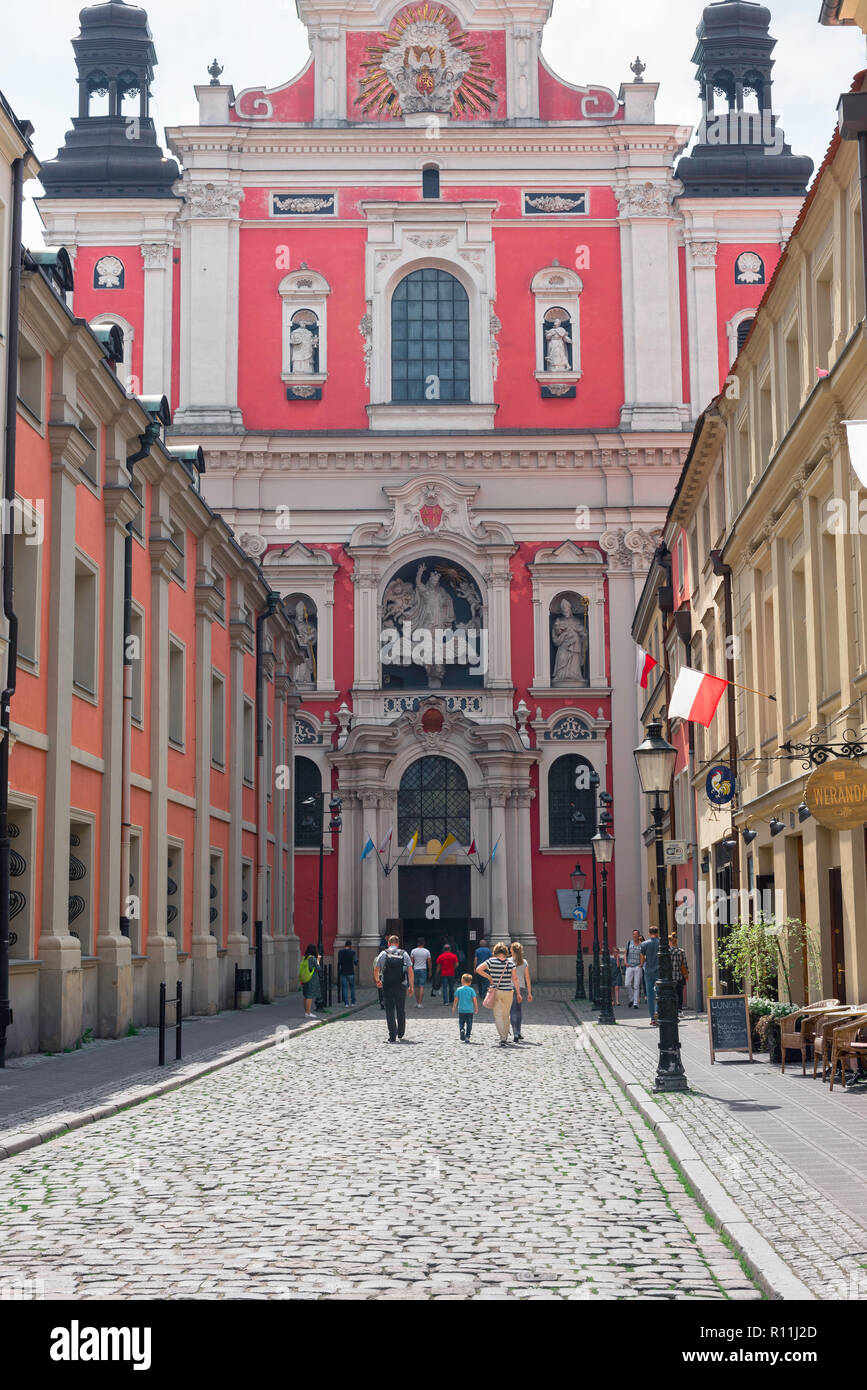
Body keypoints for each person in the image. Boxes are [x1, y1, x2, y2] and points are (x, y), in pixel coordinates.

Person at [476, 942, 521, 1047]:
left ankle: (502, 1038)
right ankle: (505, 1036)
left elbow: (478, 969)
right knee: (506, 1015)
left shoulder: (490, 961)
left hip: (496, 991)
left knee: (498, 1015)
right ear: (505, 951)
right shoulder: (510, 963)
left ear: (495, 951)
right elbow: (515, 979)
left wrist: (489, 977)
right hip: (508, 991)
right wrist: (518, 993)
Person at [373, 935, 415, 1043]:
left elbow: (376, 969)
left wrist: (378, 981)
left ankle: (392, 1036)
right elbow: (410, 970)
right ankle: (401, 1032)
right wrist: (411, 986)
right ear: (398, 943)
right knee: (401, 1009)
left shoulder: (383, 953)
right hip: (401, 985)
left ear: (388, 943)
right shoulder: (404, 953)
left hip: (387, 985)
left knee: (390, 1010)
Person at [509, 942, 533, 1042]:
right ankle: (518, 1032)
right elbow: (527, 977)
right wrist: (529, 993)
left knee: (512, 1011)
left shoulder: (508, 961)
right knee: (518, 1010)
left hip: (510, 987)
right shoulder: (524, 962)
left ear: (511, 950)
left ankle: (515, 1033)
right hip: (522, 987)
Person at [640, 926, 661, 1025]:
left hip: (648, 971)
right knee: (659, 993)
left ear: (649, 933)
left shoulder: (644, 944)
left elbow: (642, 957)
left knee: (650, 995)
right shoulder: (661, 942)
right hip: (659, 970)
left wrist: (642, 965)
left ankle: (652, 1018)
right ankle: (657, 1011)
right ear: (657, 933)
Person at [452, 973, 478, 1042]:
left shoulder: (459, 989)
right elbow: (474, 1000)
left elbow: (456, 1000)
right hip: (470, 1010)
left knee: (461, 1022)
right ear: (470, 982)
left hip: (461, 1010)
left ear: (462, 981)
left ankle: (462, 1029)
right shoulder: (471, 990)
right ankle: (467, 1036)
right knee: (469, 1024)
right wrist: (476, 1008)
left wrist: (454, 1007)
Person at [299, 943, 321, 1018]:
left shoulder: (305, 957)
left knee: (306, 996)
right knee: (309, 996)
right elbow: (318, 968)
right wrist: (318, 960)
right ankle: (308, 1013)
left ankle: (306, 1012)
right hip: (311, 979)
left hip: (305, 978)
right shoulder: (313, 958)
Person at [623, 930, 643, 1010]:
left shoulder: (642, 945)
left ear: (639, 936)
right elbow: (625, 953)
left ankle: (635, 1003)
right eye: (633, 934)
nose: (634, 936)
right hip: (629, 966)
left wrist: (641, 964)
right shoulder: (629, 943)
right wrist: (625, 962)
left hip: (638, 966)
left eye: (636, 934)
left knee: (636, 985)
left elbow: (643, 955)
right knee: (627, 984)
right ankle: (631, 998)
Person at [410, 937, 432, 1008]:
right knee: (422, 986)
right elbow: (429, 962)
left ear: (417, 943)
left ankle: (417, 1002)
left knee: (416, 986)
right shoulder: (427, 951)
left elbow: (411, 962)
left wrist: (410, 971)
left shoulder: (413, 951)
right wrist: (430, 971)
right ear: (424, 943)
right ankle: (420, 1003)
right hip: (423, 969)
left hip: (415, 969)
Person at [436, 942, 459, 1006]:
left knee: (444, 988)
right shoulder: (454, 956)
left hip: (444, 974)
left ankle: (446, 1001)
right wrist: (453, 968)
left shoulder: (441, 956)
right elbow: (457, 964)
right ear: (450, 949)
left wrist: (437, 973)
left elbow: (438, 966)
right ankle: (451, 1000)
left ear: (443, 949)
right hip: (451, 973)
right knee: (451, 987)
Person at [669, 934, 688, 1015]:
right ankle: (679, 1010)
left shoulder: (667, 952)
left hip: (670, 976)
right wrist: (686, 974)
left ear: (670, 942)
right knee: (679, 994)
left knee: (672, 994)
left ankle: (673, 1009)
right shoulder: (681, 951)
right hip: (679, 976)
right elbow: (685, 964)